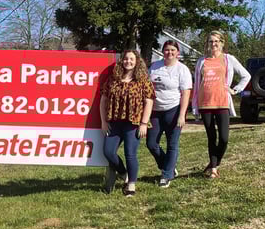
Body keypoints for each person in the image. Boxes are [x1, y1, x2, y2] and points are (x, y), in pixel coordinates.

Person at [192, 30, 251, 178]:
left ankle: (215, 163)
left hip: (222, 103)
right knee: (211, 137)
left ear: (222, 43)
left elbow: (246, 75)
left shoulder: (228, 59)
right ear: (207, 44)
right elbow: (197, 84)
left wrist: (235, 90)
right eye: (211, 41)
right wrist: (195, 105)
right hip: (205, 104)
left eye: (216, 41)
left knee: (224, 138)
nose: (213, 44)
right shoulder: (201, 61)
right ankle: (213, 169)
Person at [100, 49, 155, 196]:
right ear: (121, 61)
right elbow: (103, 100)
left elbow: (149, 101)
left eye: (131, 59)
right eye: (125, 59)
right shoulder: (113, 78)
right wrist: (103, 121)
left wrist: (144, 123)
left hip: (133, 122)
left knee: (130, 153)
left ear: (137, 61)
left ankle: (131, 185)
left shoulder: (143, 80)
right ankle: (124, 173)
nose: (128, 62)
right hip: (115, 122)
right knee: (108, 151)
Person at [147, 40, 192, 188]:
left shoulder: (182, 69)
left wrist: (182, 115)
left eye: (173, 50)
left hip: (174, 109)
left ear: (177, 52)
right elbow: (147, 88)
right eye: (167, 50)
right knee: (151, 143)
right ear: (162, 51)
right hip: (155, 111)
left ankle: (166, 175)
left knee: (172, 143)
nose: (169, 52)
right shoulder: (154, 67)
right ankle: (169, 166)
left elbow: (186, 93)